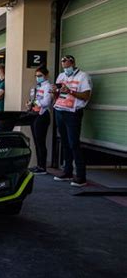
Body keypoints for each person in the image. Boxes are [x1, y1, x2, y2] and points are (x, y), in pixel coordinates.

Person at [51, 55, 92, 187]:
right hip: (59, 110)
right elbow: (57, 95)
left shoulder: (83, 76)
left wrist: (70, 91)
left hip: (73, 113)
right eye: (63, 65)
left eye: (67, 65)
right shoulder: (61, 76)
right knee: (64, 142)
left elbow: (86, 96)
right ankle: (67, 171)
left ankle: (81, 176)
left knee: (74, 143)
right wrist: (54, 91)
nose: (65, 67)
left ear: (73, 63)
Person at [26, 66, 52, 175]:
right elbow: (33, 100)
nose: (38, 78)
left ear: (46, 75)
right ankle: (38, 165)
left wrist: (36, 103)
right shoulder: (36, 87)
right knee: (36, 142)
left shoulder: (48, 86)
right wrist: (29, 104)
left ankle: (43, 167)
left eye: (40, 76)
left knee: (41, 142)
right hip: (34, 114)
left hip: (43, 115)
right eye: (36, 76)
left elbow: (46, 102)